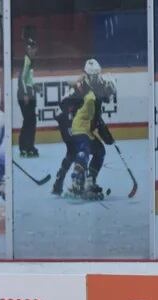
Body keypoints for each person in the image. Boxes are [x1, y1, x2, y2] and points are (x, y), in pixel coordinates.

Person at [52, 59, 115, 198]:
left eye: (98, 74)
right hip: (67, 122)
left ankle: (87, 181)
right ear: (87, 75)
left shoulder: (93, 88)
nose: (97, 77)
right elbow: (64, 106)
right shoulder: (81, 88)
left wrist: (106, 135)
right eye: (94, 75)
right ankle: (76, 182)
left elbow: (95, 117)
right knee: (74, 151)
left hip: (78, 124)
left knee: (95, 151)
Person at [18, 37, 39, 158]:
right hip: (25, 94)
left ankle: (28, 147)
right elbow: (21, 78)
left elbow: (28, 79)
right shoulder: (26, 60)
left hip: (29, 92)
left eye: (34, 48)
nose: (33, 50)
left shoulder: (30, 60)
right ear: (27, 49)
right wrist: (25, 93)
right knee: (29, 122)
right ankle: (25, 147)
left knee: (30, 121)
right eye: (30, 48)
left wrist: (34, 86)